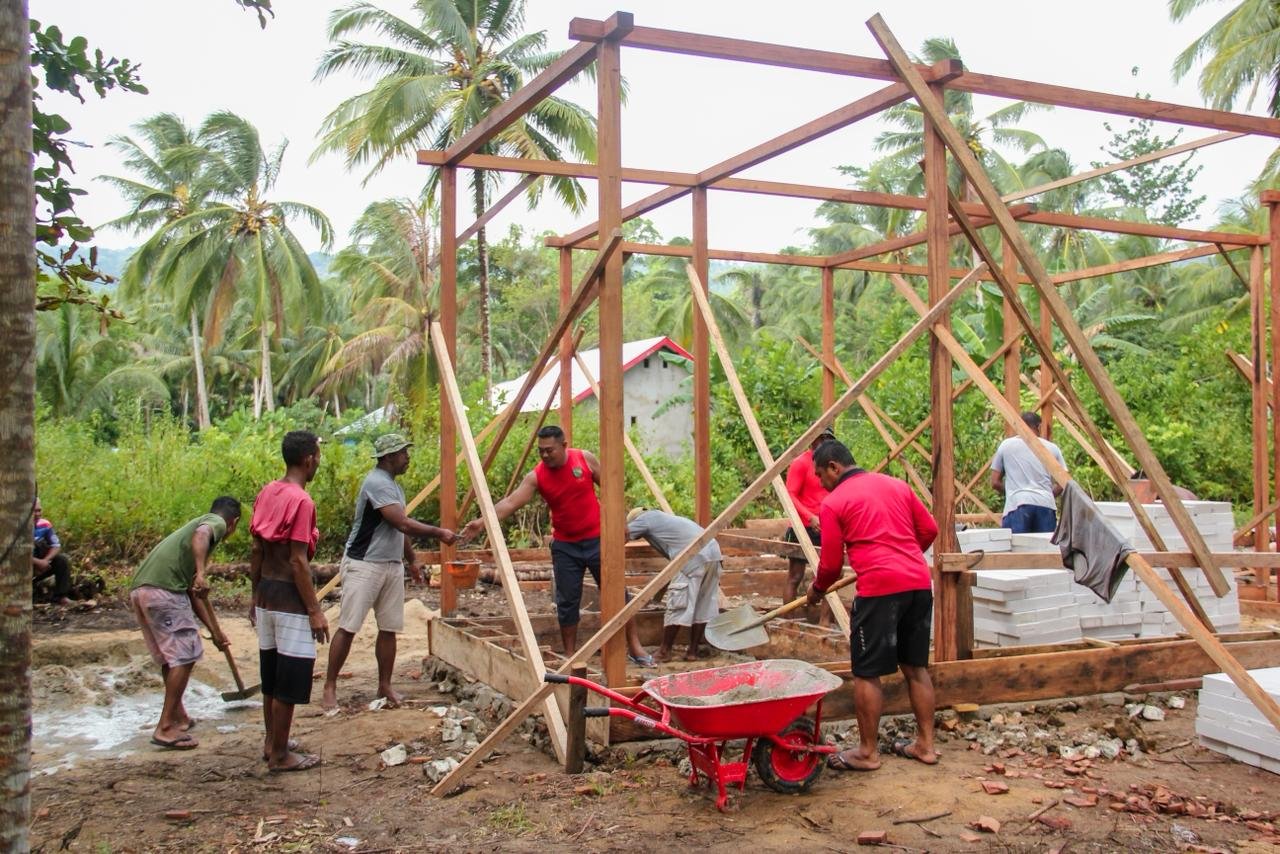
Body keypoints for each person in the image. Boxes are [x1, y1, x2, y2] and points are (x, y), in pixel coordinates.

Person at [460, 425, 653, 665]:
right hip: (566, 546)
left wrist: (621, 521)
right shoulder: (537, 476)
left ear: (564, 445)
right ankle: (571, 655)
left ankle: (635, 647)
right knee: (567, 601)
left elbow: (611, 488)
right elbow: (510, 502)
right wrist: (481, 522)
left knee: (617, 592)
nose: (545, 455)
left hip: (598, 540)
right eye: (540, 450)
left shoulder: (584, 459)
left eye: (549, 450)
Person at [806, 439, 939, 772]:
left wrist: (817, 590)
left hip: (880, 590)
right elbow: (929, 529)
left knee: (866, 672)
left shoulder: (834, 502)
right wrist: (903, 555)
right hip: (918, 583)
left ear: (834, 467)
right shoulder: (896, 486)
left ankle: (867, 752)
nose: (821, 483)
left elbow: (831, 564)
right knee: (916, 667)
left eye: (821, 475)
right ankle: (925, 746)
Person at [322, 433, 458, 712]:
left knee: (389, 628)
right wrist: (439, 533)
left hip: (390, 564)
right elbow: (402, 523)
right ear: (389, 457)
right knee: (349, 626)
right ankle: (329, 686)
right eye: (403, 453)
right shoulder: (377, 483)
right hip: (365, 563)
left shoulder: (394, 486)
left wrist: (411, 559)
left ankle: (384, 686)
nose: (408, 458)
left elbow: (399, 527)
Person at [128, 496, 242, 750]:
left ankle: (178, 716)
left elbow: (192, 593)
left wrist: (215, 631)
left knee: (172, 657)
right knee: (185, 655)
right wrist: (201, 573)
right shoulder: (214, 523)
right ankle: (165, 726)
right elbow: (202, 534)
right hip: (163, 591)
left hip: (143, 590)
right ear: (233, 524)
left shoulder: (191, 538)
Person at [250, 430, 328, 773]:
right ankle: (281, 756)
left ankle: (272, 742)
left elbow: (256, 549)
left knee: (271, 673)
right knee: (290, 676)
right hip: (289, 598)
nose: (318, 463)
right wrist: (314, 610)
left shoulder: (268, 491)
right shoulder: (301, 501)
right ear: (308, 460)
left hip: (267, 593)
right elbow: (298, 560)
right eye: (318, 457)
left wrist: (255, 594)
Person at [625, 507, 722, 662]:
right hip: (714, 554)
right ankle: (692, 651)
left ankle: (664, 651)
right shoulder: (666, 520)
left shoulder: (645, 518)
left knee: (677, 603)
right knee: (703, 605)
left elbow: (623, 535)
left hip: (692, 556)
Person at [991, 411, 1066, 534]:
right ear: (1039, 426)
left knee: (1017, 545)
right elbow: (1063, 482)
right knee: (1044, 545)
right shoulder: (1052, 448)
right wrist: (1047, 493)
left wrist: (1012, 491)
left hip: (1017, 504)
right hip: (1045, 504)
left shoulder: (1006, 446)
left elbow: (995, 482)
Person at [784, 426, 836, 602]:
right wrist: (809, 517)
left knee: (831, 577)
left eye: (828, 439)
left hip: (826, 526)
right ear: (813, 439)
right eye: (822, 438)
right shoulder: (800, 463)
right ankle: (787, 618)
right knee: (795, 576)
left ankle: (824, 618)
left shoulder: (832, 465)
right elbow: (790, 495)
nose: (825, 442)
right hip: (803, 527)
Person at [32, 498, 72, 605]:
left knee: (62, 560)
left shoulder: (45, 525)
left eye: (39, 510)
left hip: (41, 563)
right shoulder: (15, 529)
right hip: (21, 565)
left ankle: (61, 596)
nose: (37, 514)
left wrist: (45, 560)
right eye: (34, 511)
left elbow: (56, 545)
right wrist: (37, 562)